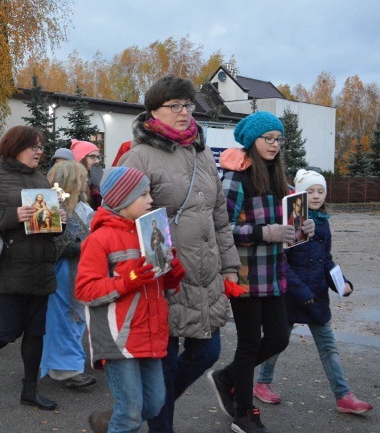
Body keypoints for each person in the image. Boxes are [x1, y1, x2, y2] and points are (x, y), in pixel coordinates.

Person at [117, 75, 241, 433]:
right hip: (161, 277)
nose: (184, 112)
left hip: (204, 276)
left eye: (188, 105)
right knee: (165, 365)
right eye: (175, 106)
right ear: (154, 111)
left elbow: (219, 217)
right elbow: (117, 216)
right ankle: (158, 423)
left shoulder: (201, 154)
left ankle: (143, 411)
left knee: (208, 352)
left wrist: (230, 266)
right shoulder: (137, 156)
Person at [209, 111, 315, 433]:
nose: (274, 144)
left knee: (279, 337)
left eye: (278, 139)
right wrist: (262, 233)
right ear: (252, 140)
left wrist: (304, 228)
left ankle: (227, 377)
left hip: (273, 273)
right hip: (243, 275)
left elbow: (288, 224)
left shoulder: (278, 177)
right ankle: (244, 413)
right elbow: (221, 228)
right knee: (250, 343)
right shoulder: (236, 176)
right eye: (267, 138)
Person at [75, 166, 186, 433]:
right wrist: (128, 280)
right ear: (123, 199)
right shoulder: (99, 238)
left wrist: (172, 274)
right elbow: (85, 290)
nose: (150, 200)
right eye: (144, 194)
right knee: (130, 411)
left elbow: (157, 283)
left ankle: (110, 422)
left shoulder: (149, 232)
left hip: (150, 331)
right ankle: (121, 422)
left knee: (155, 402)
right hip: (117, 337)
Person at [254, 169, 373, 414]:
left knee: (328, 346)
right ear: (300, 194)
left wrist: (341, 282)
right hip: (292, 296)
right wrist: (302, 292)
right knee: (277, 342)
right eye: (310, 191)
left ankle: (343, 396)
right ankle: (258, 382)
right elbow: (283, 262)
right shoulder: (294, 219)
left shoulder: (323, 222)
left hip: (317, 297)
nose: (316, 196)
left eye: (320, 191)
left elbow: (325, 259)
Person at [0, 125, 60, 410]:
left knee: (35, 333)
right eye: (33, 145)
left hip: (39, 268)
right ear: (16, 146)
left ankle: (29, 391)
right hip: (5, 269)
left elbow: (47, 226)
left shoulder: (42, 179)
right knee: (6, 332)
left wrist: (58, 220)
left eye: (41, 146)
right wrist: (13, 215)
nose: (39, 151)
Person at [39, 160, 97, 389]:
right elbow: (46, 244)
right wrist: (83, 246)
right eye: (82, 178)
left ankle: (68, 364)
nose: (86, 183)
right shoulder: (50, 206)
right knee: (62, 320)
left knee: (76, 319)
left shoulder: (83, 207)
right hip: (61, 272)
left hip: (80, 270)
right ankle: (66, 369)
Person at [70, 139, 102, 210]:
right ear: (81, 158)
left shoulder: (92, 179)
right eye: (93, 157)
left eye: (97, 157)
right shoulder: (74, 183)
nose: (97, 161)